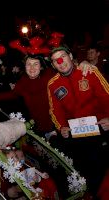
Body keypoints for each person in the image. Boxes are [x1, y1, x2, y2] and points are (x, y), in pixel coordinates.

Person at [47, 44, 109, 197]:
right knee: (80, 168)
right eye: (55, 60)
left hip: (100, 127)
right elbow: (55, 111)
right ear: (53, 65)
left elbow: (107, 96)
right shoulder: (53, 84)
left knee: (100, 165)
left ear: (71, 56)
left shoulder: (89, 72)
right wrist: (61, 127)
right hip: (76, 134)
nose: (60, 62)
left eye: (63, 56)